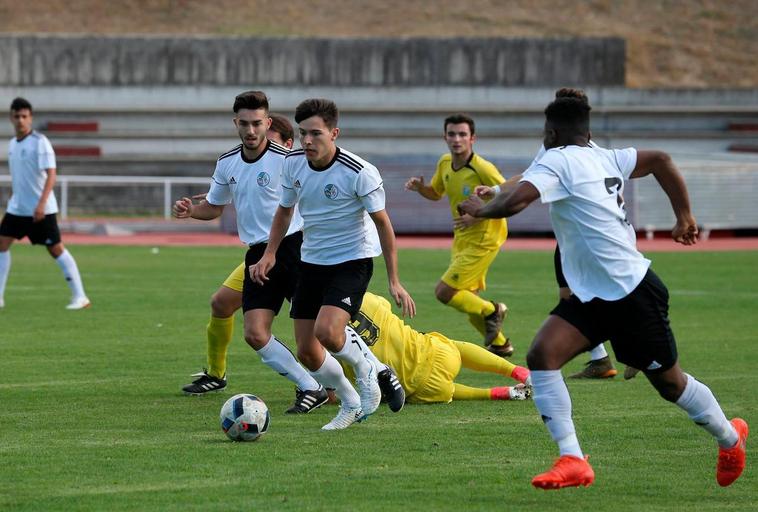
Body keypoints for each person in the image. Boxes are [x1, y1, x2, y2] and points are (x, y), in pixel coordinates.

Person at [459, 92, 748, 489]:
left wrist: (481, 212)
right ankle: (573, 458)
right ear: (587, 131)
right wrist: (685, 217)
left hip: (631, 292)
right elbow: (661, 160)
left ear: (551, 131)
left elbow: (520, 201)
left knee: (670, 385)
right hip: (592, 296)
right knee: (542, 354)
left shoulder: (558, 160)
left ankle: (730, 439)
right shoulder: (601, 154)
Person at [251, 98, 415, 430]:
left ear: (334, 133)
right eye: (302, 134)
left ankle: (370, 372)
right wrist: (269, 253)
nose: (307, 141)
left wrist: (394, 280)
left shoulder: (359, 172)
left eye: (315, 134)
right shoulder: (293, 163)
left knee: (328, 331)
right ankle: (350, 401)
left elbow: (384, 224)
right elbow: (284, 210)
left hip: (352, 260)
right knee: (308, 352)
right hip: (311, 260)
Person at [173, 93, 329, 414]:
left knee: (324, 327)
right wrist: (192, 212)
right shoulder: (227, 161)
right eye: (244, 123)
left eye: (257, 123)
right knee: (255, 333)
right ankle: (311, 387)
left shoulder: (287, 159)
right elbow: (214, 207)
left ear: (267, 123)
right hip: (257, 254)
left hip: (296, 248)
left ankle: (374, 372)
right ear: (236, 124)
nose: (251, 130)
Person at [404, 114, 512, 357]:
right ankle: (500, 344)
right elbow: (436, 192)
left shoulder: (482, 168)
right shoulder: (444, 163)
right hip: (462, 238)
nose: (456, 139)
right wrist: (421, 188)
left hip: (485, 238)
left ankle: (494, 310)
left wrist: (479, 214)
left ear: (472, 138)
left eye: (462, 134)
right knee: (467, 297)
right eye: (452, 134)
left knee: (445, 292)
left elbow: (507, 194)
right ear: (445, 137)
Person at [346, 292, 531, 405]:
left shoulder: (320, 339)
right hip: (437, 355)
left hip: (421, 390)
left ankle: (502, 393)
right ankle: (519, 372)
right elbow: (384, 303)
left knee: (444, 388)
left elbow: (330, 391)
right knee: (453, 347)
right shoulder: (366, 298)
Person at [0, 97, 90, 310]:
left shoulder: (40, 142)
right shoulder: (12, 144)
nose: (21, 120)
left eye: (24, 116)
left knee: (56, 249)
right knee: (1, 244)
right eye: (17, 116)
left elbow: (51, 175)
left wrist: (41, 204)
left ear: (30, 118)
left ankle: (81, 297)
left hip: (41, 209)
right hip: (18, 208)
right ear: (11, 118)